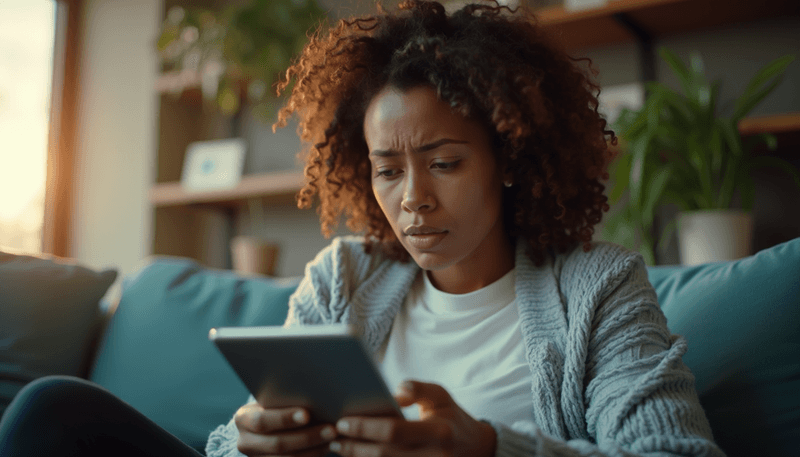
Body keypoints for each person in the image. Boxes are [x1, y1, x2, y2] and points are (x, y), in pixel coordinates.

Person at [0, 1, 723, 457]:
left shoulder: (599, 288)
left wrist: (486, 447)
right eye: (387, 170)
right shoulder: (345, 275)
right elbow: (231, 440)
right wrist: (246, 440)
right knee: (52, 411)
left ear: (508, 157)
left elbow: (675, 452)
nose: (414, 200)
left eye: (444, 163)